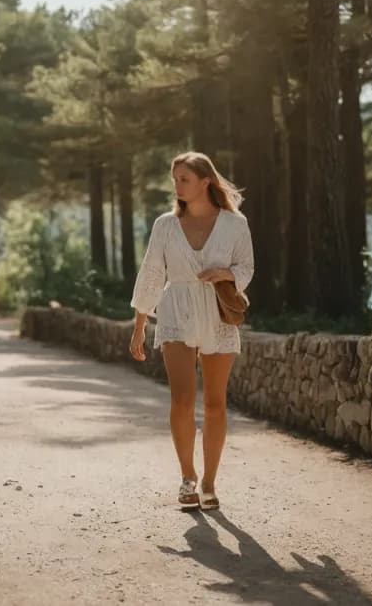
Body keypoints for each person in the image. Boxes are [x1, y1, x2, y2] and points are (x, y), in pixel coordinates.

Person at [128, 151, 254, 510]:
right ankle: (188, 478)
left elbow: (246, 265)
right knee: (182, 400)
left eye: (184, 178)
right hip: (176, 312)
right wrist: (139, 324)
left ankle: (211, 482)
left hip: (217, 313)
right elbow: (152, 273)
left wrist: (227, 275)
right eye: (175, 179)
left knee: (215, 403)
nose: (177, 185)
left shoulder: (234, 224)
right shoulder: (165, 226)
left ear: (205, 182)